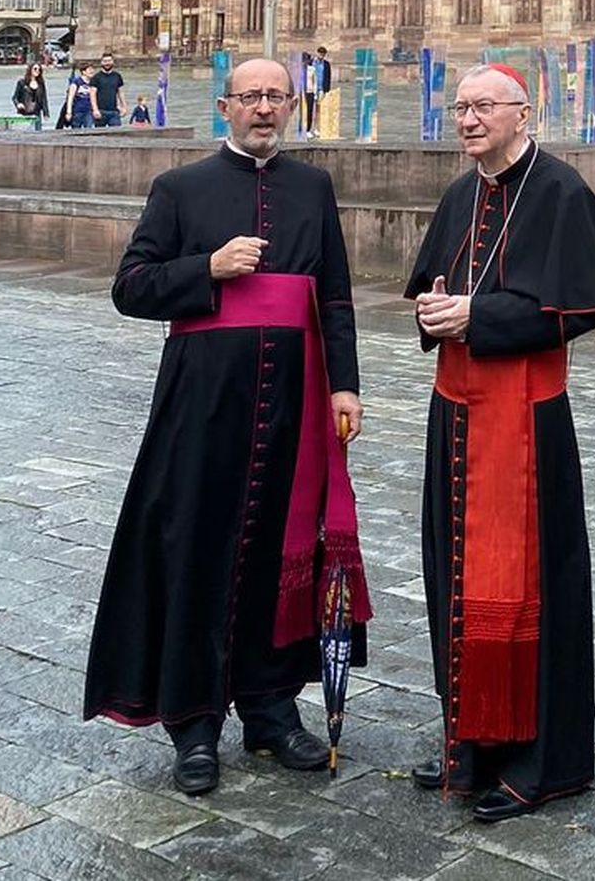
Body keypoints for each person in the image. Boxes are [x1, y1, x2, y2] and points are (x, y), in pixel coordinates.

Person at [83, 58, 370, 796]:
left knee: (284, 547)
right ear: (225, 106)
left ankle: (272, 712)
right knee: (197, 548)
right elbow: (130, 288)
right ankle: (196, 724)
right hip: (202, 404)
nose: (264, 109)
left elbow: (333, 297)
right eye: (251, 97)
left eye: (277, 97)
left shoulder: (313, 187)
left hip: (296, 404)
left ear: (294, 104)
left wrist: (345, 385)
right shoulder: (180, 188)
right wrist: (206, 267)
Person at [404, 62, 595, 823]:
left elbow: (588, 308)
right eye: (459, 108)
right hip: (454, 413)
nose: (466, 120)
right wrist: (436, 313)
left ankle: (543, 760)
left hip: (526, 422)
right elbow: (435, 288)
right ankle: (471, 738)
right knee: (454, 576)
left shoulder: (561, 191)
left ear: (522, 114)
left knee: (534, 587)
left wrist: (481, 320)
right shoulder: (461, 192)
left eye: (483, 108)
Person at [90, 51, 126, 128]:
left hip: (114, 111)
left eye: (109, 61)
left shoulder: (117, 76)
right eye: (105, 61)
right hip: (100, 111)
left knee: (116, 134)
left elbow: (120, 92)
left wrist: (124, 107)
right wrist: (95, 109)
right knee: (99, 136)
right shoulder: (96, 77)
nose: (107, 63)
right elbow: (92, 94)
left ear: (113, 62)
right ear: (101, 63)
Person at [12, 60, 50, 128]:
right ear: (30, 70)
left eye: (39, 69)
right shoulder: (21, 82)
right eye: (35, 69)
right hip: (24, 113)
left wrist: (46, 113)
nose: (37, 71)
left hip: (36, 113)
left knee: (38, 133)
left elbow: (44, 99)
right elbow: (14, 97)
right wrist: (18, 104)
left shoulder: (41, 84)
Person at [66, 62, 96, 130]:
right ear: (83, 72)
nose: (92, 71)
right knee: (76, 130)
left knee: (89, 130)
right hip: (77, 111)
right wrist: (69, 112)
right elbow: (70, 98)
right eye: (89, 69)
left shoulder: (93, 82)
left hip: (89, 111)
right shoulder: (76, 82)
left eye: (92, 69)